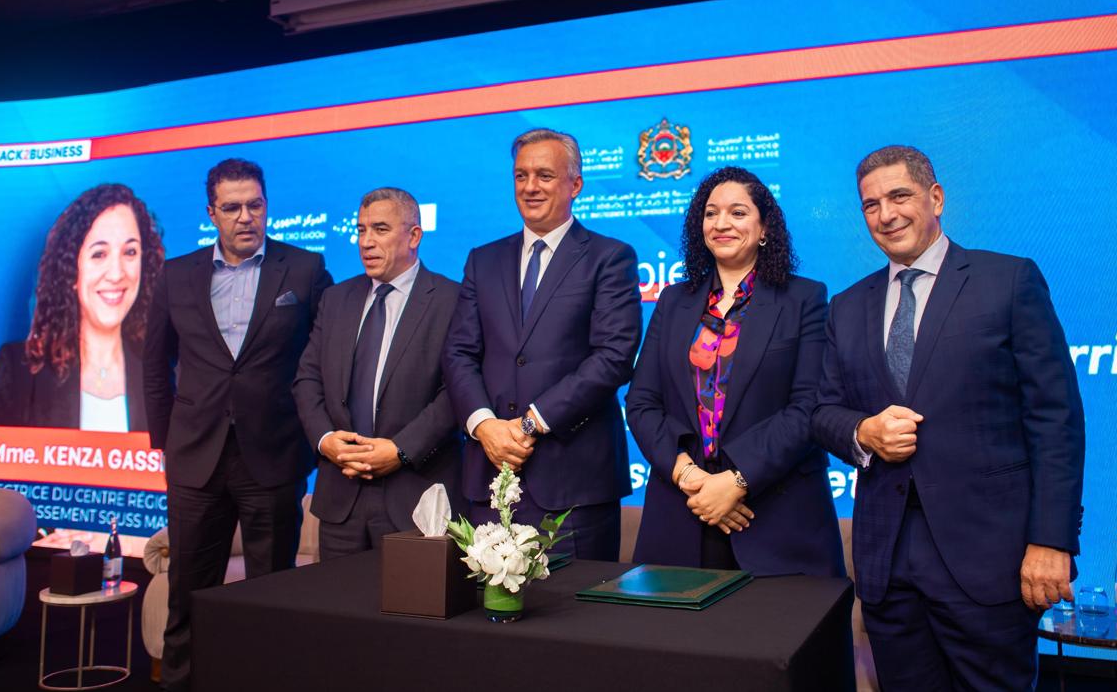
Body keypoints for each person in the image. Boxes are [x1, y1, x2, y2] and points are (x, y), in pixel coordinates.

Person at [812, 145, 1085, 692]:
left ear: (935, 198)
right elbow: (822, 412)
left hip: (990, 561)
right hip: (887, 564)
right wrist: (863, 432)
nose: (886, 215)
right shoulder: (847, 305)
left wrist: (1052, 541)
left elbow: (1056, 419)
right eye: (871, 205)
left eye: (899, 196)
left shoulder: (1008, 280)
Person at [144, 158, 332, 692]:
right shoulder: (175, 275)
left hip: (273, 457)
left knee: (270, 599)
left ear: (266, 206)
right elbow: (154, 366)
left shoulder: (304, 269)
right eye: (232, 208)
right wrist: (167, 443)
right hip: (194, 460)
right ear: (212, 213)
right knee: (188, 595)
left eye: (255, 205)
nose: (245, 217)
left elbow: (326, 356)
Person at [625, 167, 843, 576]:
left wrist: (736, 482)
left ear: (764, 228)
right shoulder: (673, 301)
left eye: (738, 213)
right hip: (682, 512)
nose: (721, 223)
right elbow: (641, 402)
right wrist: (690, 477)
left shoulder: (803, 298)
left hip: (776, 517)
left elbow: (808, 407)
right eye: (711, 213)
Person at [442, 128, 641, 561]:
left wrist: (530, 423)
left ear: (575, 184)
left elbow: (614, 357)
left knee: (575, 605)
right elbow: (459, 353)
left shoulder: (610, 257)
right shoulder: (482, 259)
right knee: (486, 604)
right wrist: (484, 425)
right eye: (521, 175)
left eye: (545, 175)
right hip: (490, 478)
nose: (530, 186)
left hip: (574, 487)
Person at [294, 187, 462, 559]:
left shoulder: (452, 300)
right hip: (342, 495)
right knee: (337, 598)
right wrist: (326, 440)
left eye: (380, 229)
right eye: (361, 230)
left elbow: (457, 391)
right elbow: (307, 379)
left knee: (411, 599)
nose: (366, 241)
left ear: (414, 236)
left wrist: (400, 450)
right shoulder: (336, 299)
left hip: (415, 497)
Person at [0, 183, 164, 431]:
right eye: (99, 254)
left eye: (130, 252)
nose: (117, 274)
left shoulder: (169, 370)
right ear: (71, 269)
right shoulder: (20, 373)